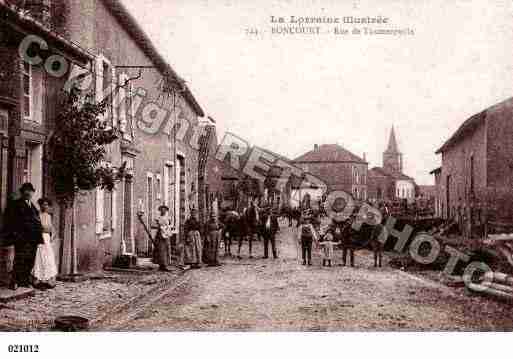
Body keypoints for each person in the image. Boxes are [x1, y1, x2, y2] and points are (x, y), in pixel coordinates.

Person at [4, 183, 44, 290]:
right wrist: (15, 235)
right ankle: (14, 282)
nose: (28, 193)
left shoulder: (33, 206)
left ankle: (24, 281)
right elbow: (11, 221)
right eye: (26, 190)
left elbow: (37, 221)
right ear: (22, 192)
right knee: (20, 259)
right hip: (22, 238)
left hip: (33, 239)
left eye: (30, 191)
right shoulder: (16, 204)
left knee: (29, 260)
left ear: (32, 193)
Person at [32, 198, 58, 289]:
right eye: (43, 204)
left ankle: (47, 280)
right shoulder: (37, 215)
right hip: (39, 238)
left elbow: (50, 229)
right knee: (40, 258)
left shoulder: (48, 216)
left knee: (48, 258)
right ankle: (38, 280)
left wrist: (50, 233)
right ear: (40, 205)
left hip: (47, 239)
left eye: (47, 205)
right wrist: (43, 229)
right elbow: (38, 228)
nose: (45, 206)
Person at [152, 205, 173, 271]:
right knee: (160, 249)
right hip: (160, 235)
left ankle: (165, 264)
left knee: (166, 249)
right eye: (161, 210)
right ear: (160, 210)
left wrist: (168, 228)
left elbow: (171, 225)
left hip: (166, 234)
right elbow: (153, 225)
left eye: (164, 210)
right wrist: (158, 227)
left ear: (166, 211)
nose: (163, 211)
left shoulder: (168, 218)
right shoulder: (158, 218)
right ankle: (161, 264)